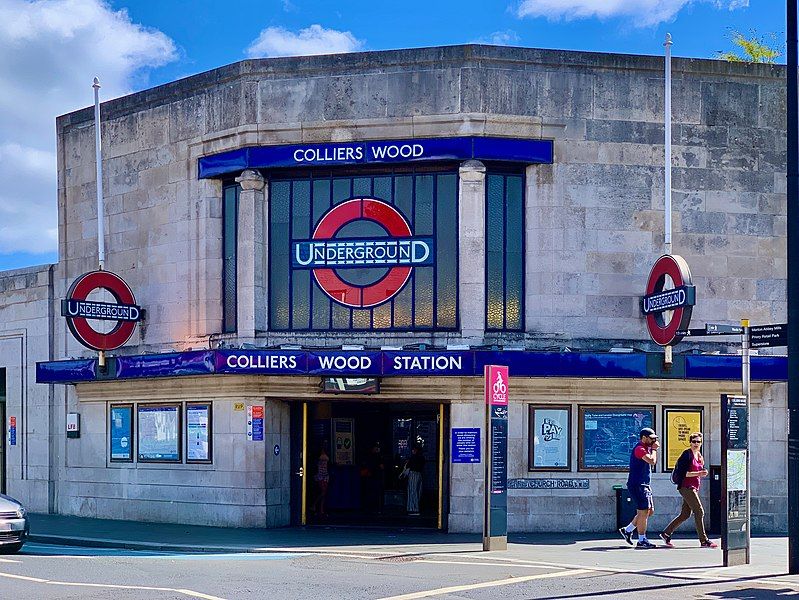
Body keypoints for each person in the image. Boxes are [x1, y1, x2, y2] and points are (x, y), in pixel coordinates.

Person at [660, 433, 718, 548]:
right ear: (690, 442)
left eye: (698, 442)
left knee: (685, 514)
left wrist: (702, 472)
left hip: (694, 487)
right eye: (694, 441)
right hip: (686, 487)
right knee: (699, 511)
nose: (696, 444)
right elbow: (684, 473)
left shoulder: (700, 456)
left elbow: (700, 470)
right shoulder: (686, 455)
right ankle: (704, 540)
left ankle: (666, 533)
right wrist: (699, 473)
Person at [618, 427, 660, 549]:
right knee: (643, 511)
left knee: (649, 511)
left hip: (644, 484)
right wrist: (654, 449)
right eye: (651, 439)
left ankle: (628, 530)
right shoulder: (640, 449)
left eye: (655, 439)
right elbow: (652, 461)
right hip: (638, 484)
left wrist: (652, 448)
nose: (653, 441)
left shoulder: (646, 448)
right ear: (644, 438)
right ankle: (642, 539)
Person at [405, 445, 425, 516]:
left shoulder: (413, 458)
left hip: (413, 474)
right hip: (419, 475)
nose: (412, 451)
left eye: (414, 449)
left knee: (412, 491)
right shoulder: (422, 458)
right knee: (417, 491)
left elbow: (408, 466)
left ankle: (413, 509)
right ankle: (415, 508)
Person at [313, 445, 330, 518]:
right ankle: (314, 505)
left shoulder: (321, 456)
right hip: (321, 476)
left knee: (323, 493)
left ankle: (320, 509)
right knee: (323, 492)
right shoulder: (321, 456)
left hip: (324, 475)